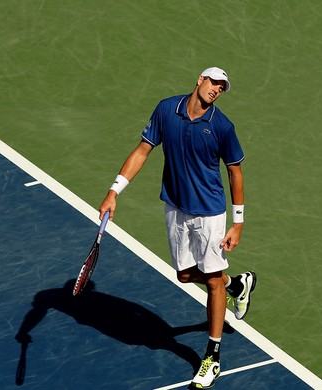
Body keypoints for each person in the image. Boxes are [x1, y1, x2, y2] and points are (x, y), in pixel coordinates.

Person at [98, 67, 256, 389]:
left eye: (222, 88)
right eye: (213, 83)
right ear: (200, 79)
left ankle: (212, 357)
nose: (216, 90)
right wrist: (114, 191)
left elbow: (235, 173)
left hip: (209, 213)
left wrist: (237, 223)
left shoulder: (222, 127)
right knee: (185, 275)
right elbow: (143, 150)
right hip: (175, 206)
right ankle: (236, 285)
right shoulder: (165, 109)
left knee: (211, 282)